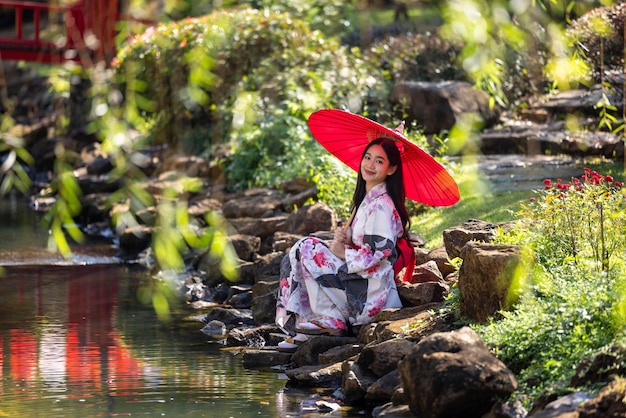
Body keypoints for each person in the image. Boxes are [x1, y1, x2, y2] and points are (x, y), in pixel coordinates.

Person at [275, 136, 411, 351]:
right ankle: (312, 321)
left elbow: (380, 252)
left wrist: (342, 253)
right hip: (362, 279)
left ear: (392, 169)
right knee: (304, 249)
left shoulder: (381, 205)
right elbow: (366, 242)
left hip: (370, 291)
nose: (370, 164)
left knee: (307, 247)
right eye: (367, 157)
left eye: (379, 161)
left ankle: (330, 318)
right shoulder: (368, 200)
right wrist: (349, 240)